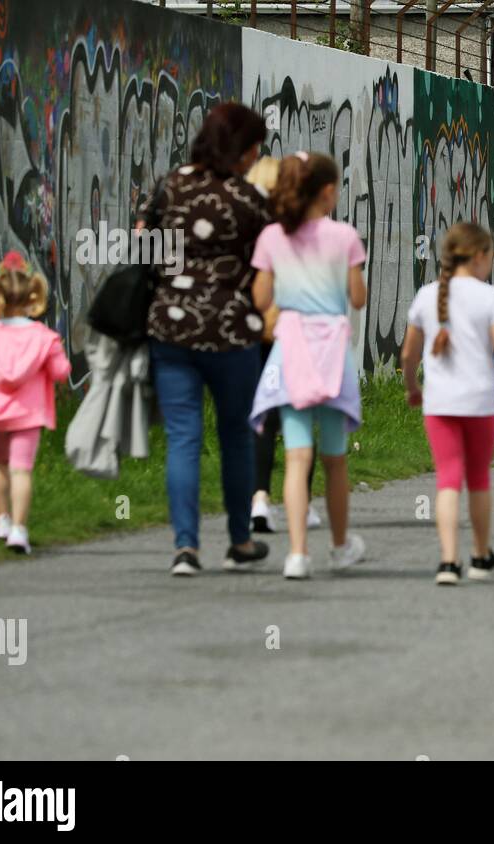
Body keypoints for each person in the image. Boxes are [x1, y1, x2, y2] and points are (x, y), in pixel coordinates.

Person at [141, 102, 272, 577]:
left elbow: (146, 251)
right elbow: (265, 264)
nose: (257, 154)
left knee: (182, 438)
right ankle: (239, 540)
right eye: (254, 146)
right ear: (240, 148)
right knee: (236, 434)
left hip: (171, 328)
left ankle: (185, 548)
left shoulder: (168, 186)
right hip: (233, 331)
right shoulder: (250, 199)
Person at [249, 151, 367, 581]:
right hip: (331, 350)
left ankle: (297, 554)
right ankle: (339, 546)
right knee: (335, 459)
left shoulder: (273, 238)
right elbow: (357, 298)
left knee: (296, 457)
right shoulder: (345, 237)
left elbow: (261, 300)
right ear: (329, 192)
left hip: (290, 351)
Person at [400, 222, 494, 586]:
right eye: (490, 255)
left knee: (447, 480)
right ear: (478, 256)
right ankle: (479, 555)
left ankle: (447, 562)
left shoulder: (426, 296)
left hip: (439, 404)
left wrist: (413, 387)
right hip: (479, 405)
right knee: (477, 479)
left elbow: (409, 355)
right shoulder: (489, 297)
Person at [0, 251, 71, 555]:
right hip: (28, 414)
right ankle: (20, 530)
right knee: (22, 470)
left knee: (0, 463)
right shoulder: (44, 338)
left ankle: (1, 519)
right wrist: (53, 362)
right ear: (32, 294)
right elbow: (61, 373)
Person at [243, 155, 320, 534]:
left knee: (262, 416)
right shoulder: (304, 228)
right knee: (300, 413)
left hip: (253, 329)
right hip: (296, 329)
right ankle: (302, 505)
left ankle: (258, 498)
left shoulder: (245, 223)